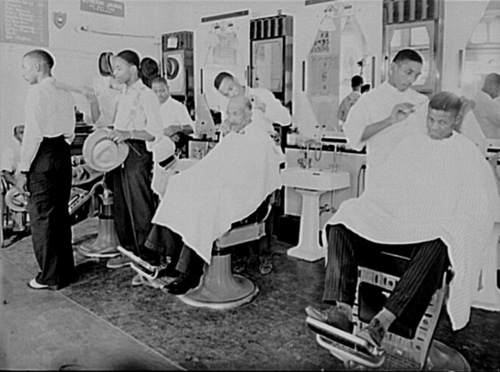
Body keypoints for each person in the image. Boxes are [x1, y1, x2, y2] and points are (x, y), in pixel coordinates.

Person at [306, 92, 500, 352]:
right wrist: (383, 211)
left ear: (455, 121)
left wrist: (453, 222)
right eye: (430, 120)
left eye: (442, 122)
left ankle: (380, 325)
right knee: (345, 216)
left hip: (429, 236)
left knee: (444, 238)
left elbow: (480, 207)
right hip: (396, 225)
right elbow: (386, 190)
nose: (434, 127)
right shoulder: (411, 145)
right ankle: (340, 312)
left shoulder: (466, 152)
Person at [135, 95, 285, 294]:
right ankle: (169, 259)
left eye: (236, 113)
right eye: (229, 113)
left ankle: (191, 274)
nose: (231, 118)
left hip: (242, 198)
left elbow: (254, 180)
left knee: (205, 205)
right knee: (179, 187)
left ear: (250, 114)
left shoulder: (260, 140)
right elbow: (213, 166)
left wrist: (222, 185)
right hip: (223, 190)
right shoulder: (233, 136)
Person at [17, 49, 76, 290]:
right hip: (62, 153)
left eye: (25, 68)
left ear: (39, 67)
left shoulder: (36, 92)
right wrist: (59, 148)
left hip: (42, 156)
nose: (23, 73)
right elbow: (71, 131)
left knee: (42, 218)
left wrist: (22, 170)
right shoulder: (64, 91)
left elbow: (32, 135)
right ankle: (65, 271)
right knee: (61, 215)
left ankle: (49, 276)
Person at [103, 49, 164, 269]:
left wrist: (128, 134)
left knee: (139, 206)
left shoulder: (146, 95)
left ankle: (148, 257)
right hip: (119, 153)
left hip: (137, 153)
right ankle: (128, 250)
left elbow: (155, 131)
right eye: (113, 69)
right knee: (121, 205)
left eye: (119, 68)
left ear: (133, 69)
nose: (115, 73)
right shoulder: (123, 94)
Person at [343, 49, 428, 188]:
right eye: (408, 72)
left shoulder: (422, 102)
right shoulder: (369, 101)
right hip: (380, 178)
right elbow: (355, 138)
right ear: (393, 67)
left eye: (416, 75)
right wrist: (389, 121)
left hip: (413, 179)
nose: (411, 80)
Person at [213, 71, 292, 135]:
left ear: (236, 80)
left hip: (264, 149)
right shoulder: (228, 107)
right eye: (226, 94)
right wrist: (226, 130)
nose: (231, 94)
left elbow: (286, 119)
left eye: (231, 88)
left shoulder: (262, 94)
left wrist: (263, 107)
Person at [151, 76, 194, 155]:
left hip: (172, 153)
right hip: (152, 153)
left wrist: (178, 128)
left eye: (162, 91)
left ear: (168, 88)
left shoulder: (178, 107)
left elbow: (191, 128)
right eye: (155, 91)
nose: (159, 94)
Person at [1, 125, 26, 246]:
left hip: (30, 183)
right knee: (16, 197)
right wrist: (18, 185)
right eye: (21, 133)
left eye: (25, 132)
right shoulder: (10, 151)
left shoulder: (29, 149)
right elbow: (6, 173)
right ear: (15, 136)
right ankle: (18, 228)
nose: (24, 135)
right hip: (15, 185)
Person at [472, 72, 500, 139]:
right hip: (489, 143)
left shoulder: (478, 98)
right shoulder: (486, 101)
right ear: (492, 85)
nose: (498, 93)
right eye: (498, 89)